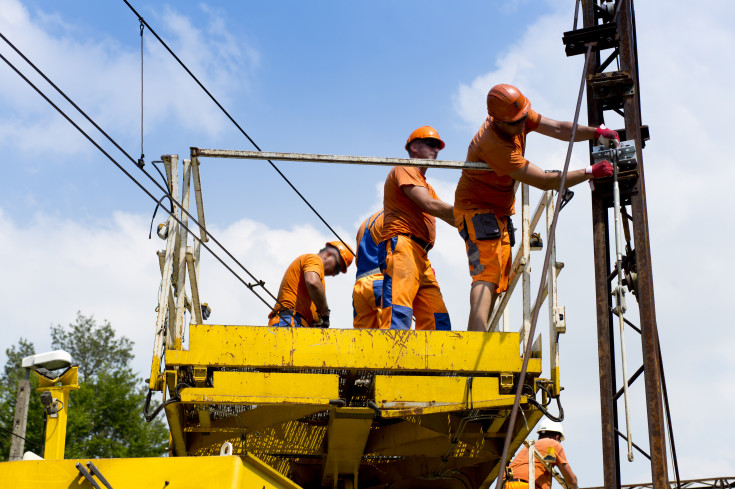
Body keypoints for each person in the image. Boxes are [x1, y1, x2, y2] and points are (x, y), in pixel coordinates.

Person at [454, 83, 617, 332]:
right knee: (486, 275)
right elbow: (543, 180)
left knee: (498, 280)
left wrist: (596, 132)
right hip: (476, 209)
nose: (523, 125)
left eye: (523, 118)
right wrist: (589, 172)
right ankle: (474, 344)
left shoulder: (515, 114)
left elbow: (557, 128)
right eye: (517, 123)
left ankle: (479, 335)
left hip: (499, 210)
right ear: (497, 121)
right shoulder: (494, 145)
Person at [378, 126, 455, 330]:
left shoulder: (427, 187)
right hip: (402, 245)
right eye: (430, 144)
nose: (436, 150)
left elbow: (450, 216)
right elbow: (428, 204)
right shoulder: (405, 168)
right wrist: (471, 216)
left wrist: (477, 219)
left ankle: (434, 362)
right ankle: (393, 360)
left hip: (421, 254)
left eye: (437, 146)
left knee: (437, 319)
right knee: (399, 311)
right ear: (413, 148)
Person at [268, 241, 353, 328]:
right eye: (337, 268)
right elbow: (312, 282)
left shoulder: (318, 276)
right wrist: (324, 313)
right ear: (329, 255)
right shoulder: (314, 259)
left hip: (297, 322)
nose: (335, 274)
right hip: (290, 319)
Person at [505, 421, 578, 489]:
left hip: (505, 485)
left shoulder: (528, 448)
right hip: (525, 486)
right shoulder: (553, 444)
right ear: (557, 437)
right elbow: (572, 481)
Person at [353, 209, 385, 329]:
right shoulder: (393, 215)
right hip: (381, 282)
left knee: (364, 341)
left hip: (360, 286)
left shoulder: (365, 224)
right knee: (393, 336)